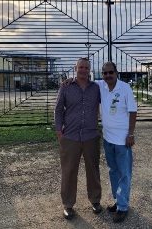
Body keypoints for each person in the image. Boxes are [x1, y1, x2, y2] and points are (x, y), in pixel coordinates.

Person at [54, 57, 102, 220]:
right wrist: (59, 131)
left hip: (91, 136)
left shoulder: (96, 88)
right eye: (80, 67)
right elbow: (58, 109)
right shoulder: (66, 87)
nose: (83, 70)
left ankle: (95, 200)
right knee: (69, 171)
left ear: (90, 70)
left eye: (86, 68)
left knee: (93, 170)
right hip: (70, 136)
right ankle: (68, 205)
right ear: (76, 68)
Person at [96, 62, 137, 223]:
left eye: (110, 72)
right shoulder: (101, 86)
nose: (107, 76)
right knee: (113, 171)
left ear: (116, 73)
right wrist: (68, 80)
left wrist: (131, 134)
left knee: (124, 173)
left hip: (122, 140)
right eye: (104, 73)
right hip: (108, 139)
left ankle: (123, 207)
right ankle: (118, 200)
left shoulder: (125, 88)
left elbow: (133, 112)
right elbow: (83, 79)